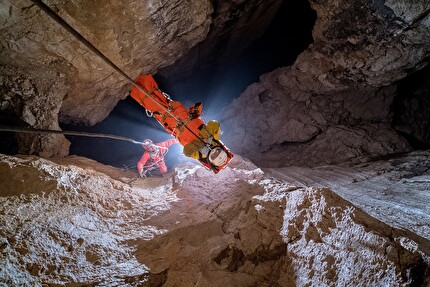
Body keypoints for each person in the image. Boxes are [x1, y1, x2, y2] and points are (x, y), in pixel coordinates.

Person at [130, 74, 231, 171]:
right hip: (181, 113)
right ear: (220, 149)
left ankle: (135, 88)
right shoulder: (215, 138)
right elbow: (214, 124)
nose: (214, 152)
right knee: (158, 96)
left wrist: (201, 143)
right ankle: (144, 79)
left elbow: (187, 151)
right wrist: (207, 137)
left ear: (210, 160)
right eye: (218, 152)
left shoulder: (198, 155)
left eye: (214, 156)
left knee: (152, 104)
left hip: (173, 124)